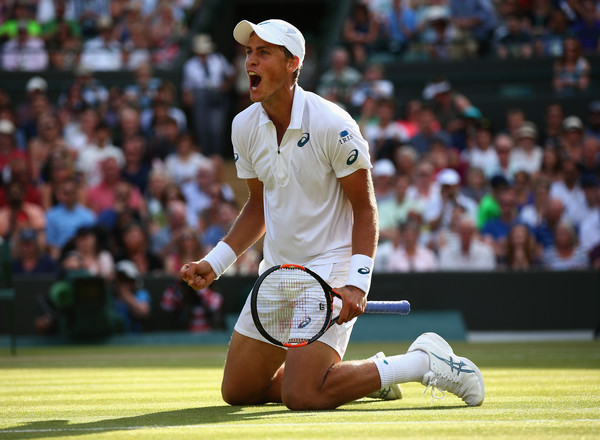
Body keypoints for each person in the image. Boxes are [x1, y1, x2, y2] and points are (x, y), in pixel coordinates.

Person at [180, 18, 484, 411]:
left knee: (302, 395)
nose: (250, 62)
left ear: (294, 63)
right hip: (277, 274)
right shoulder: (244, 126)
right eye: (249, 53)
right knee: (238, 391)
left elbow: (365, 207)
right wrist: (215, 262)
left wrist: (357, 282)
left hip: (330, 270)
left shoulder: (335, 125)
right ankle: (354, 380)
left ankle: (423, 362)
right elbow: (259, 205)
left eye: (264, 53)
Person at [181, 33, 236, 157]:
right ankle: (205, 156)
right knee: (202, 128)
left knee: (217, 128)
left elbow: (231, 73)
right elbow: (187, 86)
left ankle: (217, 156)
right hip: (200, 96)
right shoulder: (190, 65)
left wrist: (226, 86)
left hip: (216, 95)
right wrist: (188, 96)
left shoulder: (219, 60)